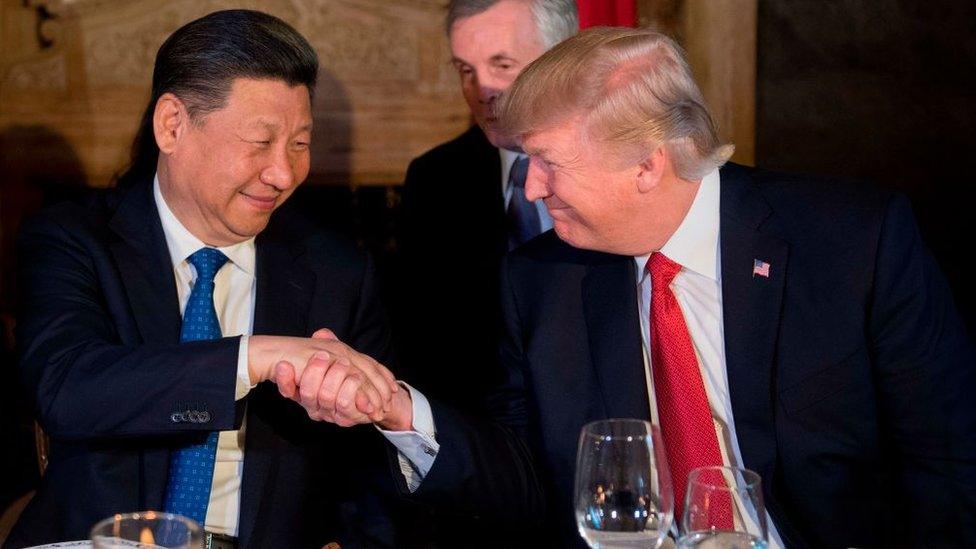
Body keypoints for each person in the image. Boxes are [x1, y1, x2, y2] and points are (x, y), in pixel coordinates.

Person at [284, 27, 976, 547]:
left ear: (648, 165)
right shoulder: (543, 279)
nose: (530, 187)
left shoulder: (855, 244)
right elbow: (525, 482)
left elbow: (949, 467)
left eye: (546, 162)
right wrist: (402, 410)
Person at [8, 10, 401, 548]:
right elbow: (67, 387)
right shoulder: (74, 240)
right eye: (260, 142)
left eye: (301, 144)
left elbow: (375, 464)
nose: (284, 174)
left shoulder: (337, 272)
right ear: (173, 125)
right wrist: (250, 357)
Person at [392, 0, 577, 413]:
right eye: (466, 70)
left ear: (561, 59)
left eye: (502, 65)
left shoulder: (616, 165)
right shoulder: (434, 177)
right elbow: (420, 340)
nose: (481, 91)